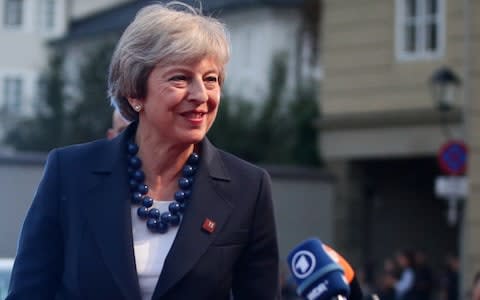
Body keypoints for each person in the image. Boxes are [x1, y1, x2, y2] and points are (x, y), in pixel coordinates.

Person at [7, 2, 279, 300]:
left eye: (211, 79)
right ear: (135, 92)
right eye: (180, 78)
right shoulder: (70, 172)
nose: (201, 95)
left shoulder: (247, 188)